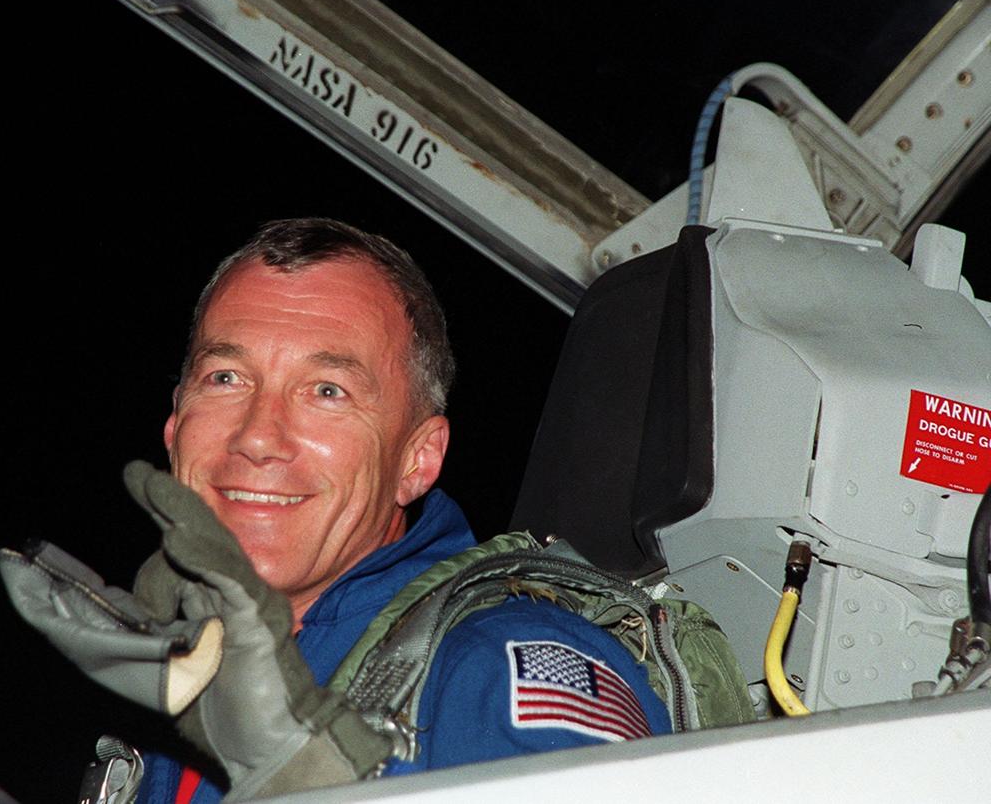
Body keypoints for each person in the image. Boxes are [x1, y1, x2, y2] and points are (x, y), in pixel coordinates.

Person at [134, 217, 671, 803]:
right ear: (174, 423)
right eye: (227, 377)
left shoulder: (493, 670)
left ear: (416, 460)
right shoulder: (180, 681)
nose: (258, 436)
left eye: (326, 390)